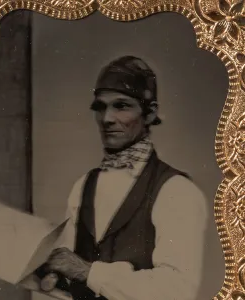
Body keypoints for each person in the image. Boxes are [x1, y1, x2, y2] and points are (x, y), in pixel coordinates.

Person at [35, 56, 208, 300]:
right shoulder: (84, 185)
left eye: (121, 106)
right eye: (100, 107)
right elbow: (64, 272)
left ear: (150, 113)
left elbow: (177, 290)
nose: (107, 119)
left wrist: (87, 272)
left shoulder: (177, 190)